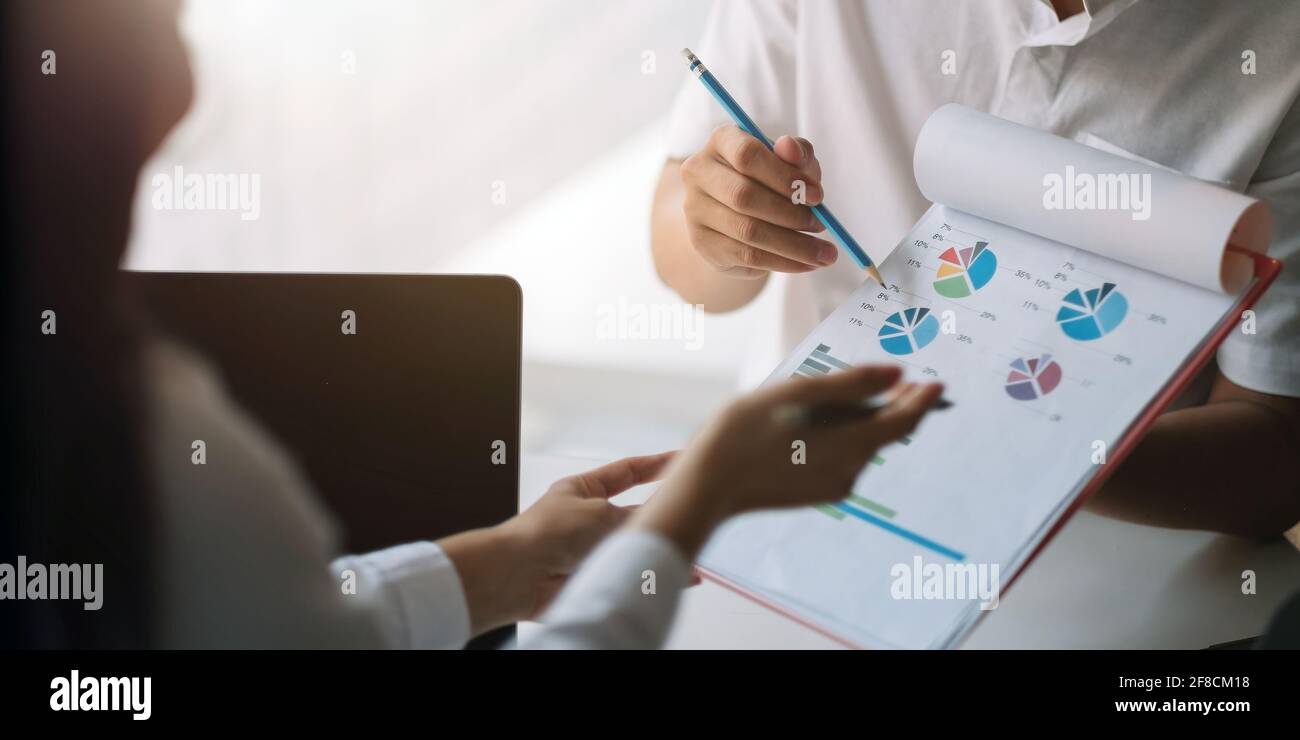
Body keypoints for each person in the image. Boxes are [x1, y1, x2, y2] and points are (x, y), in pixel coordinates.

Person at [2, 0, 942, 650]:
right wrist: (694, 503)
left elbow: (293, 630)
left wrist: (499, 567)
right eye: (161, 31)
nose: (189, 88)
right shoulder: (141, 443)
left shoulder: (109, 416)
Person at [652, 0, 1300, 539]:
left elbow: (1277, 448)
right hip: (795, 497)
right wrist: (716, 226)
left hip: (1108, 557)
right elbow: (688, 268)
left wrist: (1039, 447)